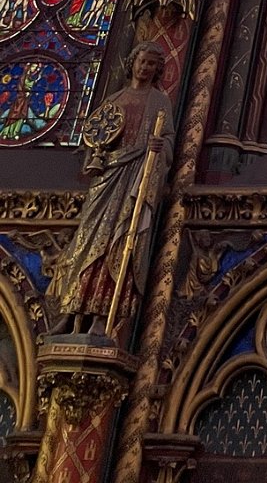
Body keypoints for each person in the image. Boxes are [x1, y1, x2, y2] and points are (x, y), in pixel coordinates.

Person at [49, 42, 174, 337]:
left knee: (118, 246)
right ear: (132, 62)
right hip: (107, 179)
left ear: (157, 70)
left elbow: (168, 140)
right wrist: (96, 158)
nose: (145, 68)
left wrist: (159, 146)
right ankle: (71, 312)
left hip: (135, 179)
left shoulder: (159, 102)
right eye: (141, 61)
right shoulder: (114, 99)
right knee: (87, 245)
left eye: (151, 64)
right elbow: (96, 139)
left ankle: (102, 317)